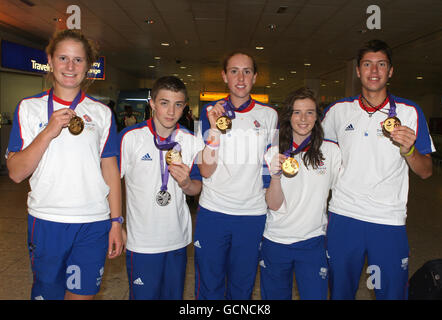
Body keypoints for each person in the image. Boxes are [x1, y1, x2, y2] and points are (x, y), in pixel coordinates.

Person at [6, 29, 123, 300]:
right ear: (50, 60)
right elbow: (16, 172)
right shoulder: (29, 107)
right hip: (47, 220)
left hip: (92, 223)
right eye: (63, 58)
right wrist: (48, 131)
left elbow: (110, 170)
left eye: (78, 60)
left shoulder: (101, 113)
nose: (70, 67)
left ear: (88, 66)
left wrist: (115, 221)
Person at [321, 39, 434, 300]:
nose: (374, 71)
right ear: (358, 71)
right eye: (367, 64)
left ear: (390, 71)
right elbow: (317, 155)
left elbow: (426, 171)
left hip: (387, 220)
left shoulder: (409, 112)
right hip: (344, 216)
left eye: (381, 64)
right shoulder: (338, 111)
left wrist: (408, 150)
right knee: (339, 292)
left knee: (391, 293)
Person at [194, 51, 278, 299]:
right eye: (234, 71)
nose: (240, 78)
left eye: (247, 71)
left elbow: (268, 169)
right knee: (210, 286)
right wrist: (214, 131)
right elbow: (206, 170)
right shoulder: (210, 111)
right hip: (213, 212)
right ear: (224, 76)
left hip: (250, 215)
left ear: (255, 77)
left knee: (242, 288)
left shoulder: (268, 115)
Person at [118, 76, 204, 300]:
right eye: (164, 103)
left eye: (178, 104)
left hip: (177, 238)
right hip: (142, 241)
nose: (170, 111)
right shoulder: (130, 137)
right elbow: (108, 184)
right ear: (152, 103)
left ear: (185, 107)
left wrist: (185, 183)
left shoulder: (191, 141)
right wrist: (115, 222)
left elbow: (196, 188)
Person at [260, 87, 341, 300]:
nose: (303, 118)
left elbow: (341, 193)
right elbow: (273, 204)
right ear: (288, 116)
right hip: (276, 240)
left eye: (310, 112)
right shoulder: (272, 152)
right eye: (297, 112)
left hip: (312, 241)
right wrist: (275, 176)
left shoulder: (331, 151)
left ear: (317, 117)